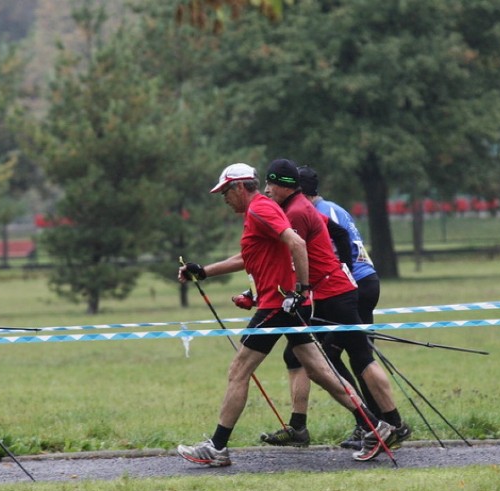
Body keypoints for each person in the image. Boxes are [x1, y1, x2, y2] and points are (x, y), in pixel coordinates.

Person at [176, 163, 393, 467]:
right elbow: (249, 256)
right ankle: (374, 424)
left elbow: (297, 243)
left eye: (226, 191)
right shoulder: (262, 209)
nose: (223, 197)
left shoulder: (259, 210)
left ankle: (217, 447)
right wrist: (205, 271)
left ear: (240, 187)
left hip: (277, 306)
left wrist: (300, 291)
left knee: (239, 370)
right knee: (320, 371)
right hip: (284, 305)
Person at [255, 159, 408, 460]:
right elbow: (339, 236)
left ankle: (380, 425)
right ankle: (384, 423)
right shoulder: (306, 206)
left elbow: (291, 256)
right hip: (339, 289)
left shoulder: (297, 212)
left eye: (270, 184)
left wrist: (326, 280)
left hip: (333, 293)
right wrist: (343, 272)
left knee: (345, 358)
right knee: (339, 355)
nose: (266, 190)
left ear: (286, 185)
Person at [298, 165, 411, 450]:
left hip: (355, 287)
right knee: (352, 355)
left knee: (346, 357)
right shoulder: (333, 207)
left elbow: (337, 247)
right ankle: (375, 423)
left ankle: (376, 423)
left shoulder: (319, 212)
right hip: (365, 282)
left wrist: (340, 275)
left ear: (301, 193)